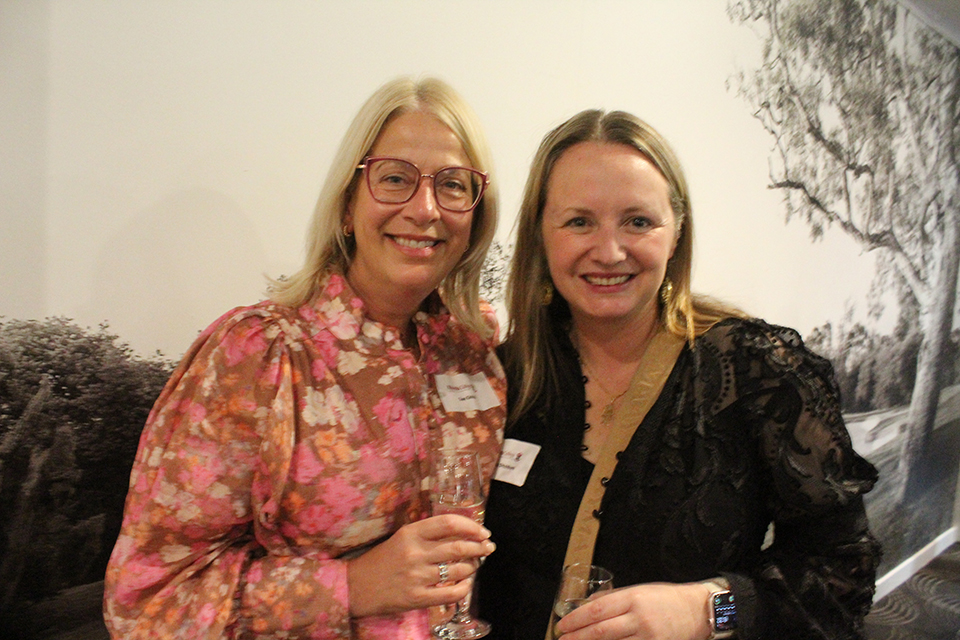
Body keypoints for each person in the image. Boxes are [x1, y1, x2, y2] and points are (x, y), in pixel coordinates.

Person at [103, 76, 506, 640]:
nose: (425, 209)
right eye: (394, 178)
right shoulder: (258, 356)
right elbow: (146, 601)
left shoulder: (473, 354)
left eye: (453, 185)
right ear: (346, 204)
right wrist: (353, 585)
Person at [477, 109, 880, 640]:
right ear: (540, 233)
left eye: (638, 221)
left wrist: (707, 612)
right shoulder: (508, 375)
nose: (609, 251)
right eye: (579, 222)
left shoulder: (754, 370)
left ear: (676, 232)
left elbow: (842, 578)